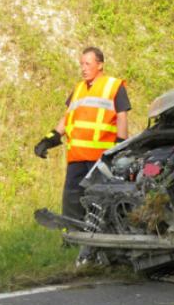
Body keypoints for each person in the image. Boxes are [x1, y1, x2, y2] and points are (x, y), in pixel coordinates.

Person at [34, 47, 131, 266]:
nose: (83, 69)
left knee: (100, 201)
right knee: (71, 199)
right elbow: (67, 119)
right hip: (77, 156)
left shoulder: (113, 86)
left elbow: (122, 116)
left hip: (101, 157)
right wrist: (49, 140)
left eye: (88, 64)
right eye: (81, 64)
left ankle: (105, 245)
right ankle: (72, 240)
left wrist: (120, 145)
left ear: (100, 65)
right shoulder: (78, 89)